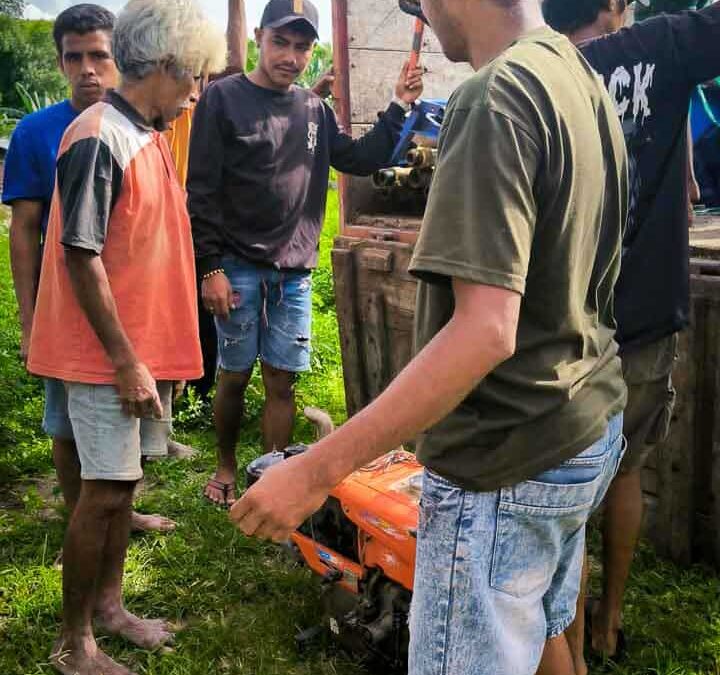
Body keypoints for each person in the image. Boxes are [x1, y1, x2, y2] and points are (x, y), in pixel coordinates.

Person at [230, 0, 629, 674]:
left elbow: (484, 332)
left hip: (502, 458)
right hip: (583, 427)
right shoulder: (578, 76)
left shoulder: (495, 94)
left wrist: (316, 467)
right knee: (543, 629)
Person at [26, 0, 223, 672]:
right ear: (166, 66)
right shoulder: (97, 136)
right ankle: (73, 640)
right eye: (195, 77)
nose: (198, 91)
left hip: (134, 355)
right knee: (102, 491)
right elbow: (81, 255)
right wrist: (127, 359)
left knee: (125, 485)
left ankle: (110, 607)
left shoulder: (150, 133)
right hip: (104, 358)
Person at [188, 0, 424, 507]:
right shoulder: (223, 99)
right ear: (258, 36)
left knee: (282, 378)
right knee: (234, 374)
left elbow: (361, 159)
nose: (291, 56)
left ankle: (271, 482)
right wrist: (209, 266)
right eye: (280, 42)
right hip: (235, 265)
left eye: (302, 46)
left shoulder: (314, 109)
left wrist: (399, 104)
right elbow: (200, 190)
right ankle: (226, 466)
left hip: (293, 270)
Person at [543, 0, 720, 662]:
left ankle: (566, 643)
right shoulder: (667, 45)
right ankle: (608, 619)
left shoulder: (542, 69)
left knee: (563, 499)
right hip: (643, 318)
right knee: (625, 473)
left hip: (563, 328)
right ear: (616, 4)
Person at [2, 3, 190, 534]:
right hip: (70, 309)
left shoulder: (145, 126)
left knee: (115, 440)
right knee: (67, 425)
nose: (87, 69)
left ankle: (116, 515)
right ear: (61, 63)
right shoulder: (42, 131)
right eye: (73, 57)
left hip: (121, 308)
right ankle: (79, 516)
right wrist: (28, 315)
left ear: (123, 57)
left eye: (98, 55)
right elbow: (27, 230)